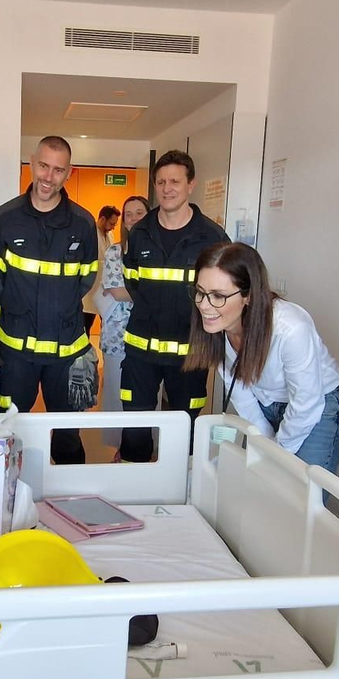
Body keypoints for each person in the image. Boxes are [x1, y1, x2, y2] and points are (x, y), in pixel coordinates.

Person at [0, 136, 97, 464]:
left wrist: (59, 308)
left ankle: (71, 499)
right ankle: (9, 502)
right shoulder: (4, 218)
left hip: (65, 349)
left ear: (68, 173)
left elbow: (86, 278)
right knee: (9, 426)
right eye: (44, 166)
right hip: (16, 350)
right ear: (32, 163)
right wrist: (14, 312)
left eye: (58, 170)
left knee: (67, 431)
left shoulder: (83, 224)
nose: (48, 177)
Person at [185, 242, 339, 474]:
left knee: (298, 494)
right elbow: (241, 393)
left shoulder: (290, 328)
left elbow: (306, 403)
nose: (204, 305)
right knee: (261, 481)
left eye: (218, 296)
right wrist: (265, 443)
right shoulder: (216, 328)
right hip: (265, 402)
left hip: (317, 405)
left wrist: (276, 452)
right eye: (200, 293)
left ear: (248, 296)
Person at [118, 150, 228, 463]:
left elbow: (223, 292)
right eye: (161, 182)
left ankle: (180, 501)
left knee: (185, 432)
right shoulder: (139, 233)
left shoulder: (212, 237)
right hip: (142, 353)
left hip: (190, 355)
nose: (167, 188)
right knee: (135, 428)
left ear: (190, 184)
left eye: (175, 181)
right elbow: (134, 283)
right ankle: (134, 493)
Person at [95, 196, 147, 452]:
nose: (134, 218)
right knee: (116, 394)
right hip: (118, 334)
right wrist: (154, 291)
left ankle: (141, 449)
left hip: (150, 337)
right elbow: (116, 291)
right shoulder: (116, 251)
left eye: (140, 212)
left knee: (144, 398)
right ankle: (119, 449)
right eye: (129, 214)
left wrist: (141, 291)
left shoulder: (157, 251)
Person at [84, 205, 120, 336]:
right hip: (89, 290)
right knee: (86, 325)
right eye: (111, 223)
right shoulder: (89, 234)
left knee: (107, 325)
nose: (113, 227)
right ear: (103, 219)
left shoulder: (110, 235)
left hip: (105, 290)